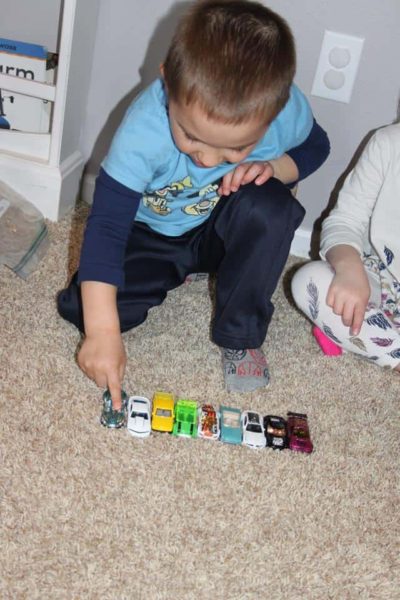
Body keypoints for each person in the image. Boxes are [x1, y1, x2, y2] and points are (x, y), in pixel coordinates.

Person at [58, 0, 330, 413]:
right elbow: (108, 227)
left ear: (274, 115)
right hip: (152, 233)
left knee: (271, 209)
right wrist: (102, 331)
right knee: (85, 308)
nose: (204, 159)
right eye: (189, 135)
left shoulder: (286, 111)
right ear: (167, 83)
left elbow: (317, 146)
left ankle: (239, 335)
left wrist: (272, 167)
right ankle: (174, 272)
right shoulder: (142, 132)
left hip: (222, 223)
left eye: (234, 148)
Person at [292, 122, 400, 371]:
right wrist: (348, 268)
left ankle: (363, 339)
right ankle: (374, 339)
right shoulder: (388, 143)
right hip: (382, 281)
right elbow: (345, 221)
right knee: (308, 280)